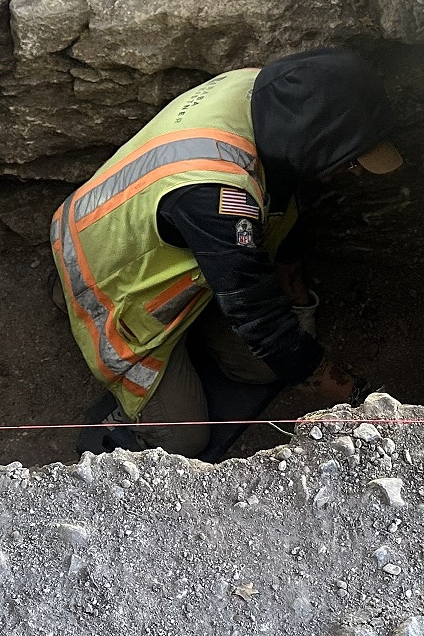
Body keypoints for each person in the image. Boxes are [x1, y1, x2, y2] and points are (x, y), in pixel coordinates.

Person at [53, 48, 401, 458]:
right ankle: (128, 431)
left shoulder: (266, 95)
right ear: (312, 142)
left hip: (159, 243)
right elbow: (259, 315)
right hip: (111, 286)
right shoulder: (215, 193)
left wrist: (298, 303)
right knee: (185, 443)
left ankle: (194, 333)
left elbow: (279, 217)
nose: (356, 171)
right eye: (351, 161)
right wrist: (347, 391)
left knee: (266, 368)